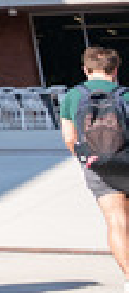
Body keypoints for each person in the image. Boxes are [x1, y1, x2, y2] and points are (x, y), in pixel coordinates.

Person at [59, 44, 129, 291]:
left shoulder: (72, 96)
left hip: (98, 165)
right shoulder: (125, 94)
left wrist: (87, 162)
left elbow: (69, 137)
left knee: (116, 220)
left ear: (86, 69)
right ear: (116, 69)